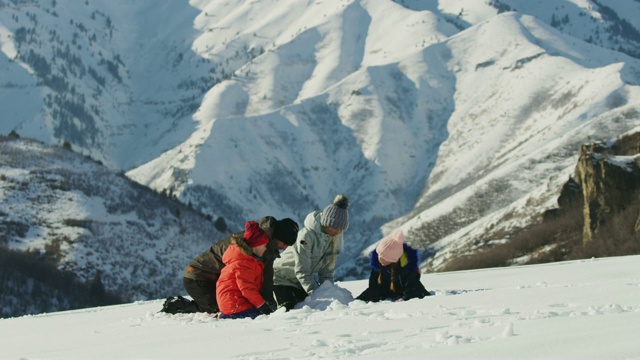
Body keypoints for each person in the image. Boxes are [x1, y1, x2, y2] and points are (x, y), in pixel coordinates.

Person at [181, 216, 299, 313]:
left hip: (218, 279)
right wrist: (264, 305)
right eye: (284, 243)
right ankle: (178, 306)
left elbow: (265, 276)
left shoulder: (265, 246)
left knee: (242, 305)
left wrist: (269, 303)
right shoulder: (250, 244)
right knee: (222, 309)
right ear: (277, 237)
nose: (285, 248)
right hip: (198, 276)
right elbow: (243, 276)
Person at [273, 194, 350, 310]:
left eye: (341, 229)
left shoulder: (331, 241)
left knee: (313, 308)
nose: (339, 232)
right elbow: (302, 271)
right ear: (327, 223)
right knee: (287, 311)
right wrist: (317, 293)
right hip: (280, 279)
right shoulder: (306, 236)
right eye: (336, 228)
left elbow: (326, 273)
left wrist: (328, 292)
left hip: (299, 283)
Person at [216, 221, 277, 319]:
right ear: (256, 245)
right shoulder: (244, 264)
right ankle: (228, 316)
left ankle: (227, 315)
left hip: (233, 304)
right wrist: (262, 305)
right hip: (236, 305)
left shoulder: (245, 260)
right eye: (264, 245)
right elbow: (247, 289)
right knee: (265, 318)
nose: (265, 249)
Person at [356, 230, 431, 302]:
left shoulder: (407, 270)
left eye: (384, 258)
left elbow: (413, 287)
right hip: (386, 294)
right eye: (379, 255)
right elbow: (374, 287)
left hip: (403, 295)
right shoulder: (378, 268)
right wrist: (362, 299)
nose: (380, 259)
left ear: (394, 259)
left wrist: (405, 299)